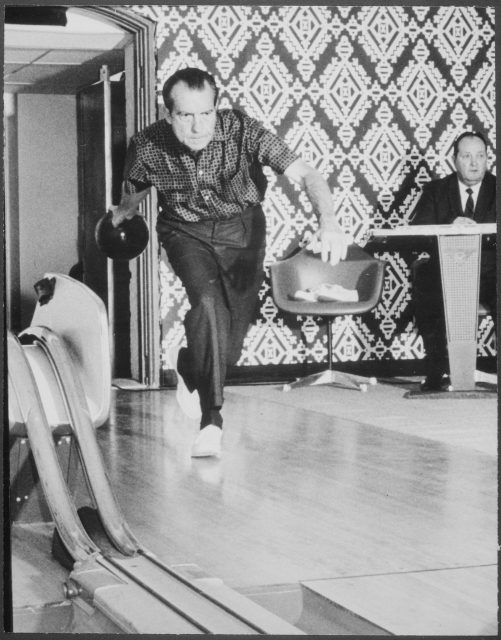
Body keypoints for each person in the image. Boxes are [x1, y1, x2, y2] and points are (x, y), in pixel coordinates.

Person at [111, 67, 347, 456]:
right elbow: (133, 193)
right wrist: (121, 216)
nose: (198, 124)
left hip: (244, 231)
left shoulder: (242, 130)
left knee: (232, 339)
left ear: (216, 108)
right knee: (207, 305)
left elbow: (306, 174)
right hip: (185, 232)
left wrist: (330, 221)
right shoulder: (146, 145)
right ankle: (212, 421)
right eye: (185, 115)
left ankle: (189, 364)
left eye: (206, 113)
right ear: (168, 114)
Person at [410, 131, 496, 392]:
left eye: (480, 156)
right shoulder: (436, 190)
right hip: (446, 275)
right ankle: (436, 372)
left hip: (489, 274)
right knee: (425, 281)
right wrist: (449, 226)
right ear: (454, 160)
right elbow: (418, 231)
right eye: (467, 156)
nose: (474, 163)